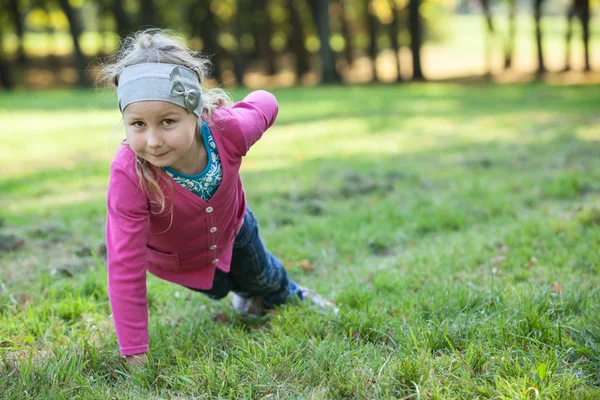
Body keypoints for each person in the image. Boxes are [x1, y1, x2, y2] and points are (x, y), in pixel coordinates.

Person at [98, 29, 337, 367]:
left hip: (236, 231)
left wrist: (231, 111)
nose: (152, 140)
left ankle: (291, 294)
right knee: (220, 288)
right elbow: (125, 266)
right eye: (137, 124)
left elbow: (267, 101)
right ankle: (246, 295)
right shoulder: (129, 174)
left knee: (263, 277)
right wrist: (135, 350)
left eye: (168, 121)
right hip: (178, 261)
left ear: (195, 112)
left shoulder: (228, 130)